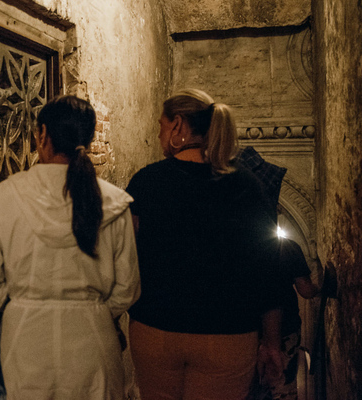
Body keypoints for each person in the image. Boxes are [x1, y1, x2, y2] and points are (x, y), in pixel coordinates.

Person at [0, 95, 141, 400]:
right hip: (94, 340)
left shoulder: (7, 195)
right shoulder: (113, 202)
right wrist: (95, 309)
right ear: (87, 138)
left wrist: (21, 304)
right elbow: (128, 288)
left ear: (42, 134)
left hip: (25, 341)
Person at [125, 88, 283, 400]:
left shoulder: (146, 181)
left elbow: (127, 256)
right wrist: (273, 342)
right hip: (228, 335)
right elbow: (268, 269)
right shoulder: (247, 185)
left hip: (156, 330)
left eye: (160, 125)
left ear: (177, 125)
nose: (158, 134)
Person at [250, 235, 320, 400]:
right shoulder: (287, 246)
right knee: (282, 388)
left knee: (250, 389)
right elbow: (306, 290)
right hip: (285, 331)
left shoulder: (242, 248)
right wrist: (319, 286)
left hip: (247, 333)